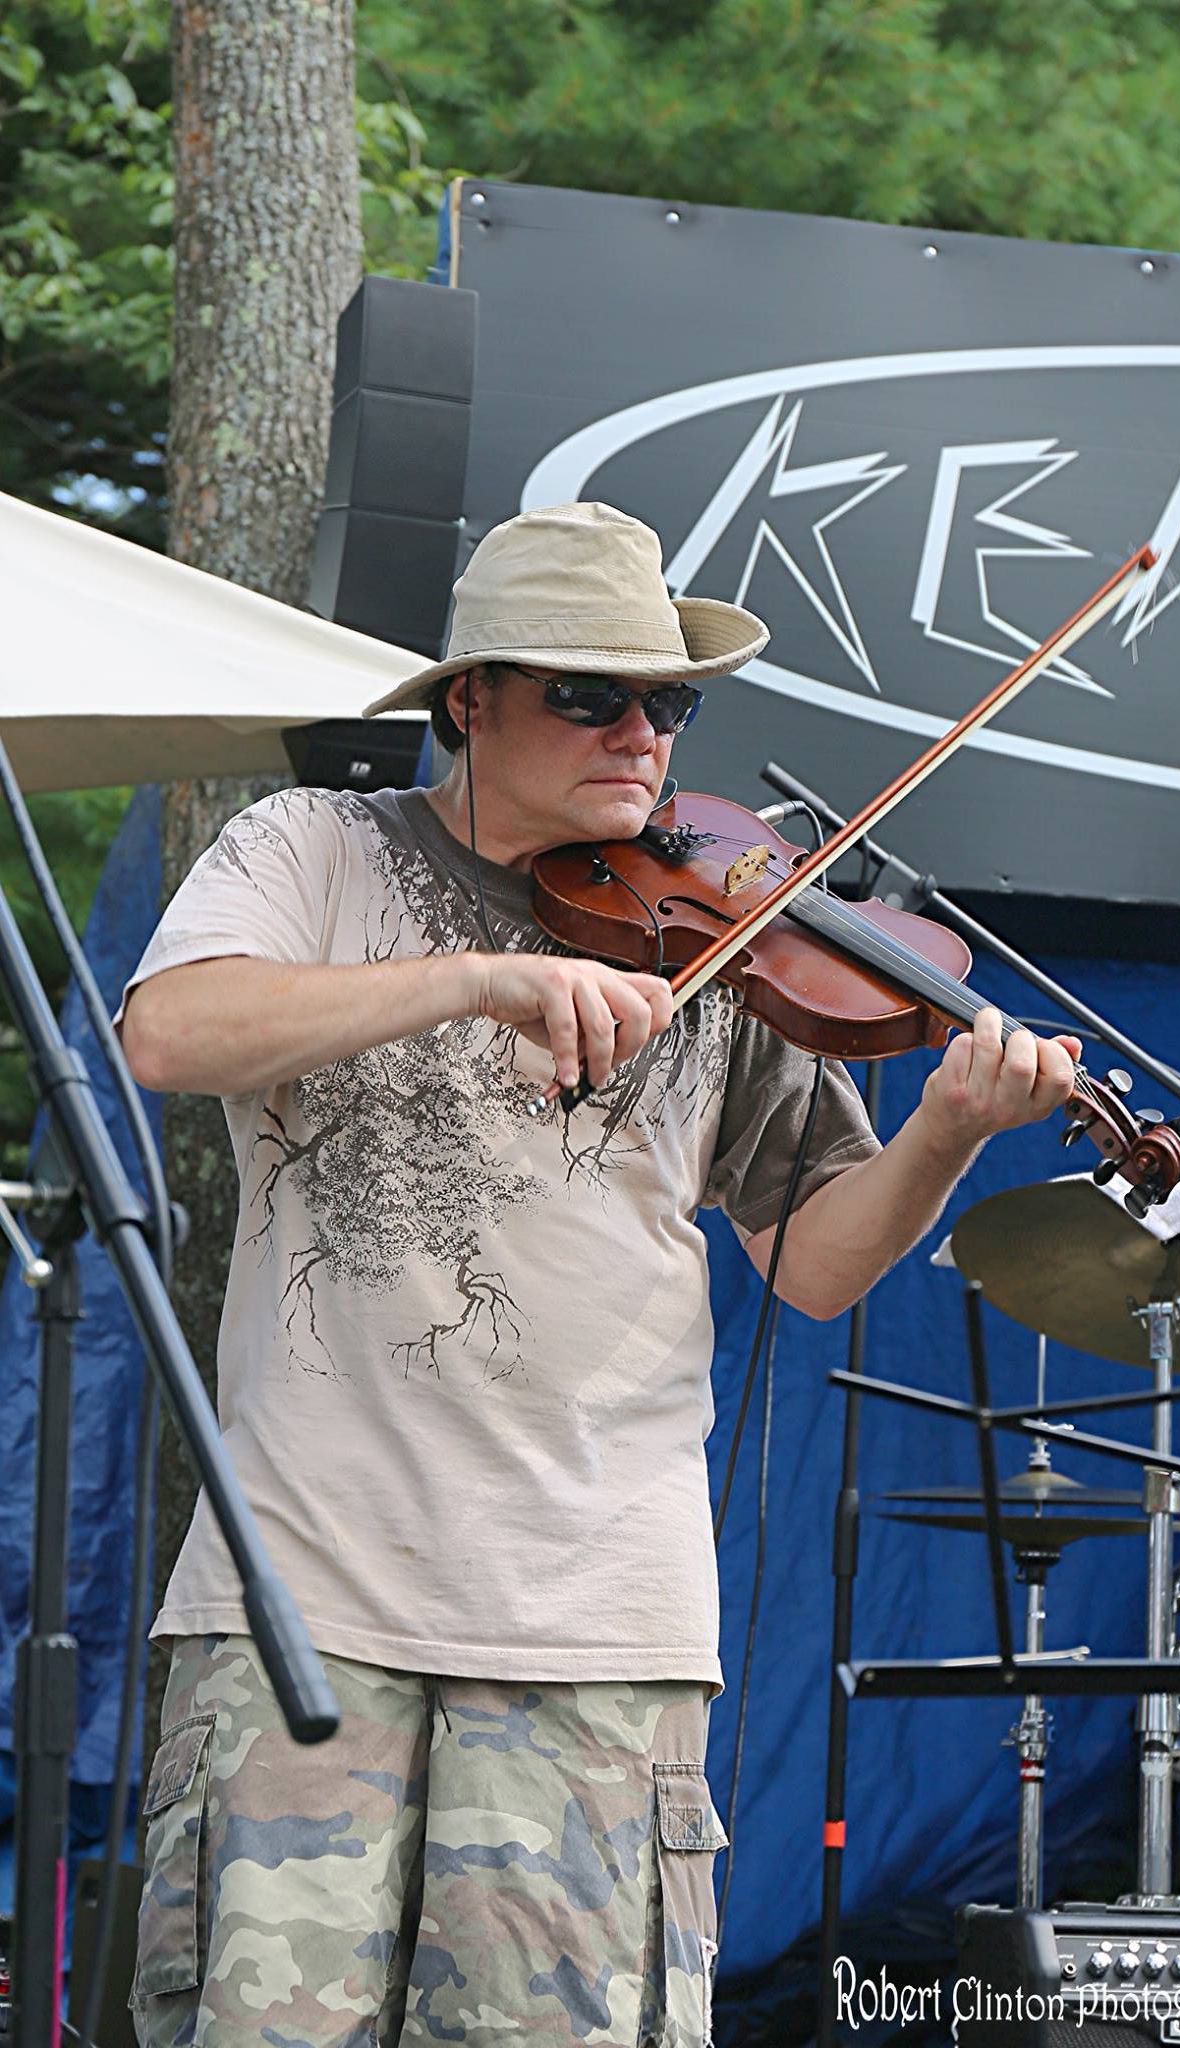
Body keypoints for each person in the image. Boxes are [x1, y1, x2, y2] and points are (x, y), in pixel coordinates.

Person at [121, 501, 1078, 2047]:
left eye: (667, 703)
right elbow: (170, 1034)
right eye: (589, 695)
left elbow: (816, 1262)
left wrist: (946, 1132)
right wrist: (481, 976)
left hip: (595, 1625)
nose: (641, 736)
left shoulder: (730, 924)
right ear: (468, 700)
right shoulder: (312, 848)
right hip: (300, 1602)